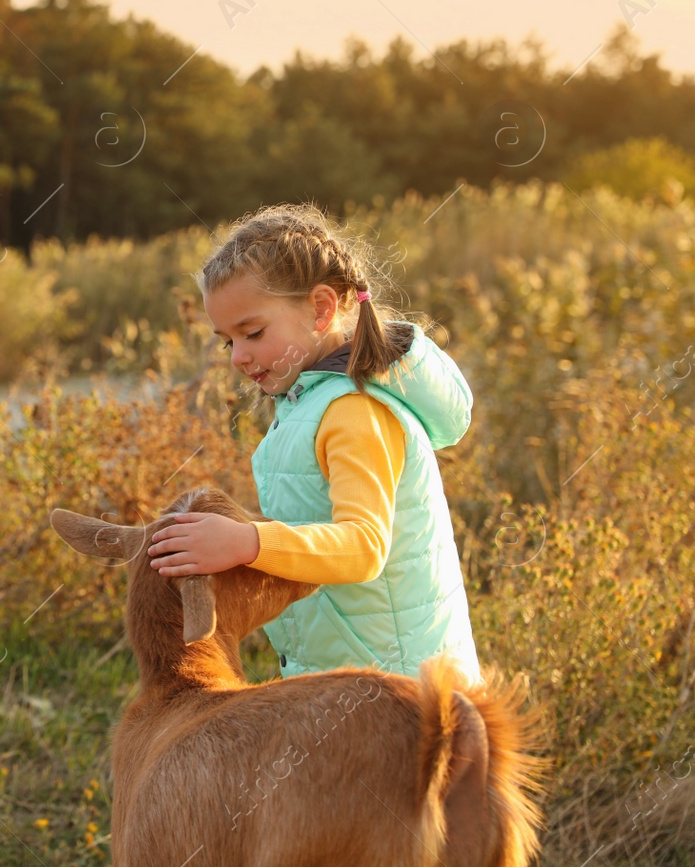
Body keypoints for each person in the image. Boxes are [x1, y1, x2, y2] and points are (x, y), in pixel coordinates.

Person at [146, 202, 482, 683]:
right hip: (349, 686)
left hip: (405, 696)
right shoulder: (305, 405)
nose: (239, 357)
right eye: (227, 342)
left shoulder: (354, 411)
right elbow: (313, 529)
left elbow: (364, 547)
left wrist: (245, 541)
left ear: (322, 309)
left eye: (253, 332)